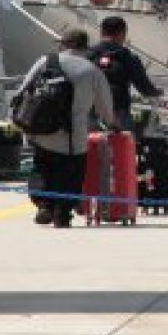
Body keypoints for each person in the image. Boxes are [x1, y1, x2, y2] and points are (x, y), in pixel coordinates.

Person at [20, 29, 118, 228]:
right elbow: (105, 107)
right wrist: (113, 125)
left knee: (42, 168)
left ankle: (44, 206)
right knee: (70, 175)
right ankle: (62, 213)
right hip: (73, 137)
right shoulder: (92, 71)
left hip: (43, 131)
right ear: (85, 47)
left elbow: (23, 90)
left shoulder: (45, 61)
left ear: (62, 44)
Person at [89, 15, 160, 130]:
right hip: (117, 111)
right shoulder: (128, 57)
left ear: (101, 32)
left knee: (87, 145)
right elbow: (144, 87)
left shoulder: (88, 54)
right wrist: (156, 92)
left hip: (90, 109)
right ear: (123, 34)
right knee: (121, 145)